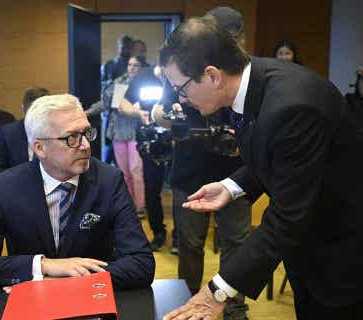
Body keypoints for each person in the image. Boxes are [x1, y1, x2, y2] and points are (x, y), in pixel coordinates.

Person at [161, 17, 363, 320]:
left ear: (212, 76)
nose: (181, 99)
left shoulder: (293, 106)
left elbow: (286, 216)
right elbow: (276, 157)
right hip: (310, 244)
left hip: (344, 249)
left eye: (180, 88)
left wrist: (217, 291)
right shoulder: (250, 81)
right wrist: (231, 186)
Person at [0, 94, 155, 290]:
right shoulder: (6, 186)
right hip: (31, 306)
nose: (86, 146)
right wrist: (43, 265)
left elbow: (141, 264)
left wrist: (66, 282)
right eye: (72, 138)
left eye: (87, 133)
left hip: (91, 301)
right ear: (40, 148)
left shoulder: (109, 180)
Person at [154, 7, 253, 320]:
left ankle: (235, 307)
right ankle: (189, 298)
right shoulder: (185, 69)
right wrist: (174, 118)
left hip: (238, 174)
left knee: (236, 244)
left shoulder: (247, 75)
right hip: (191, 170)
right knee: (190, 243)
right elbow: (158, 112)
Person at [119, 64, 173, 252]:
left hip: (180, 142)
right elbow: (122, 101)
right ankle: (158, 232)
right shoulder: (143, 77)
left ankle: (180, 237)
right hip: (152, 142)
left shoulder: (187, 75)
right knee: (151, 190)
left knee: (182, 190)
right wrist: (138, 113)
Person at [98, 56, 147, 222]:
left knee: (136, 170)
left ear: (141, 68)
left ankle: (140, 206)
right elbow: (114, 105)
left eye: (136, 65)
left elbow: (128, 108)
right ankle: (129, 205)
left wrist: (134, 110)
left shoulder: (144, 83)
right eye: (130, 64)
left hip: (135, 133)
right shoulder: (120, 82)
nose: (132, 67)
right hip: (118, 132)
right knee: (124, 173)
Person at [0, 86, 49, 180]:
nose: (36, 120)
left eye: (41, 114)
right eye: (32, 114)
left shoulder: (58, 132)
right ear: (23, 109)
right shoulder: (8, 134)